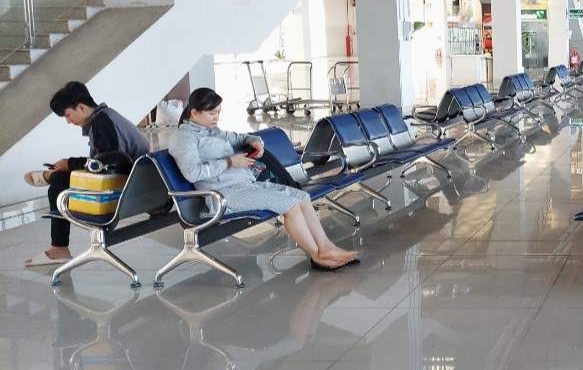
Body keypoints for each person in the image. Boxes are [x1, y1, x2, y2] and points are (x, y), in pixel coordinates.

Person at [170, 88, 358, 270]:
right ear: (194, 113)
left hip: (244, 186)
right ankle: (317, 256)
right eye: (211, 113)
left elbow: (241, 138)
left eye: (218, 112)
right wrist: (229, 162)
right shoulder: (184, 138)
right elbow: (192, 173)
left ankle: (326, 248)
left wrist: (255, 142)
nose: (216, 118)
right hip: (224, 195)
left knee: (302, 197)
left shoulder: (213, 131)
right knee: (290, 206)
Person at [23, 82, 152, 268]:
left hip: (124, 191)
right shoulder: (106, 117)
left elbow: (108, 165)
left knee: (58, 187)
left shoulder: (102, 122)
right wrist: (71, 165)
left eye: (67, 115)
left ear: (81, 107)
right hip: (139, 186)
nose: (68, 121)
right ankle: (52, 176)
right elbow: (107, 160)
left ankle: (58, 248)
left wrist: (70, 164)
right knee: (62, 179)